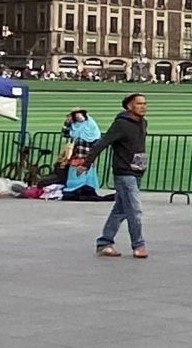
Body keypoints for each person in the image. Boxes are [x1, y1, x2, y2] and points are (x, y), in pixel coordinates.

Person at [92, 93, 149, 259]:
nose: (143, 106)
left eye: (144, 103)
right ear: (129, 106)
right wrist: (87, 162)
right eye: (139, 104)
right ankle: (138, 245)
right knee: (134, 209)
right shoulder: (121, 124)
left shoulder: (143, 123)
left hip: (138, 169)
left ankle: (104, 242)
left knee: (121, 209)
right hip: (124, 172)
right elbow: (103, 142)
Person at [60, 108, 104, 197]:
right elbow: (65, 134)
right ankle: (75, 187)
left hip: (87, 152)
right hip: (76, 152)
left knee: (87, 168)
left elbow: (96, 136)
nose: (78, 116)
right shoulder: (73, 125)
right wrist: (67, 123)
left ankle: (88, 187)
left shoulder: (90, 123)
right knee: (74, 168)